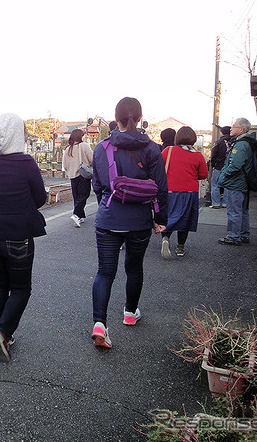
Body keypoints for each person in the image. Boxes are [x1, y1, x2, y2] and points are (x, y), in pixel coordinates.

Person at [91, 97, 168, 349]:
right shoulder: (152, 148)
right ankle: (129, 312)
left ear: (117, 118)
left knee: (105, 272)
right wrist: (160, 220)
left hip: (108, 217)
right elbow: (161, 188)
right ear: (140, 116)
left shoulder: (102, 148)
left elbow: (98, 186)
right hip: (139, 221)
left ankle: (100, 324)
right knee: (134, 269)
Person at [0, 113, 46, 362]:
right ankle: (2, 331)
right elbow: (40, 199)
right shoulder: (26, 163)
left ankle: (3, 333)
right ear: (20, 135)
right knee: (20, 288)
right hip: (18, 235)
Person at [160, 126, 208, 258]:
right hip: (189, 192)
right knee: (185, 219)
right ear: (193, 139)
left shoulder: (168, 150)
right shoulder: (197, 155)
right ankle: (180, 248)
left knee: (169, 216)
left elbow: (159, 168)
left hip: (169, 190)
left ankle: (165, 238)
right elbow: (203, 174)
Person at [218, 118, 255, 245]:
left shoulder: (240, 144)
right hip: (243, 182)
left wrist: (224, 175)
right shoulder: (247, 142)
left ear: (241, 129)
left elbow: (235, 165)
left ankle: (233, 236)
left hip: (235, 182)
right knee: (243, 210)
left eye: (233, 126)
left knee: (234, 210)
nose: (231, 129)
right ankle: (243, 234)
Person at [61, 128, 93, 228]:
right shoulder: (84, 146)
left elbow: (64, 165)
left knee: (77, 196)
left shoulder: (67, 149)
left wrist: (69, 170)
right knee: (84, 195)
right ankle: (76, 215)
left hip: (72, 175)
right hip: (83, 174)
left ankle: (80, 216)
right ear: (80, 136)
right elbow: (92, 159)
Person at [209, 126, 231, 208]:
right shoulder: (233, 141)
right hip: (229, 167)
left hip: (219, 166)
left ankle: (216, 203)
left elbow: (214, 154)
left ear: (223, 132)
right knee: (227, 185)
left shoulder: (218, 142)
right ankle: (225, 203)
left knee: (215, 185)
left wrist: (213, 164)